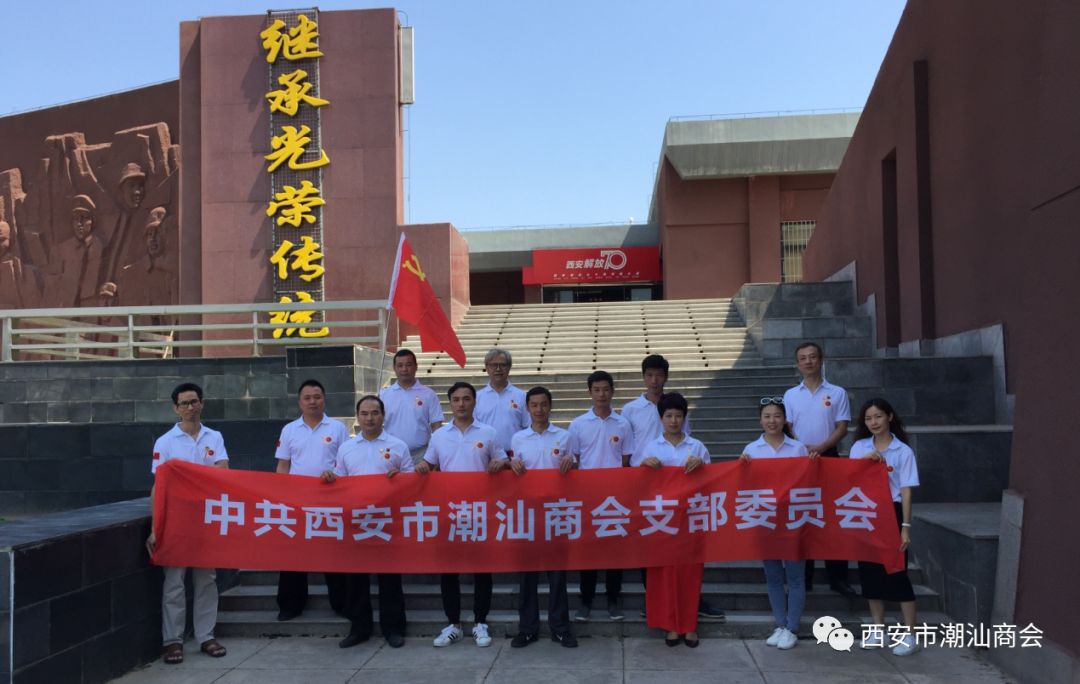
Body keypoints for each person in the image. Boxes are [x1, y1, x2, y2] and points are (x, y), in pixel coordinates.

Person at [621, 354, 723, 621]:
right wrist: (641, 466)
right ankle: (653, 600)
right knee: (653, 550)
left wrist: (699, 464)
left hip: (686, 502)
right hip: (651, 493)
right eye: (649, 375)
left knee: (688, 554)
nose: (654, 380)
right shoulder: (630, 410)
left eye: (659, 375)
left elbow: (704, 464)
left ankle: (693, 600)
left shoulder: (681, 416)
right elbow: (628, 448)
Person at [416, 381, 509, 647]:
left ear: (474, 402)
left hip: (480, 512)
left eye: (466, 399)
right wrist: (421, 467)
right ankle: (453, 624)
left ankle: (480, 622)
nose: (461, 404)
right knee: (449, 571)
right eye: (456, 399)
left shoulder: (488, 432)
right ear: (450, 404)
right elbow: (429, 463)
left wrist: (500, 463)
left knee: (482, 571)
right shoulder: (440, 436)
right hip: (450, 512)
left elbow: (503, 461)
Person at [145, 382, 229, 665]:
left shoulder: (214, 437)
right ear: (175, 408)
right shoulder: (165, 442)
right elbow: (159, 486)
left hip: (207, 518)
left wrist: (189, 478)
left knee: (207, 579)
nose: (190, 407)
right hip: (175, 520)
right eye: (184, 403)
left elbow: (223, 473)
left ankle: (206, 636)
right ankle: (173, 641)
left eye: (194, 402)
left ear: (201, 404)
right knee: (174, 582)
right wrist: (155, 528)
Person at [320, 395, 411, 649]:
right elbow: (340, 479)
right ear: (358, 417)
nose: (369, 418)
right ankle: (359, 628)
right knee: (356, 579)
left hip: (387, 520)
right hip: (357, 520)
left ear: (383, 416)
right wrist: (330, 477)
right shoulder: (347, 447)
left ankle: (393, 628)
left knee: (389, 578)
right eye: (364, 413)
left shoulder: (398, 445)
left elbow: (412, 478)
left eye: (374, 413)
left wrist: (402, 477)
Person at [781, 342, 855, 597]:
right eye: (803, 358)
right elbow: (787, 427)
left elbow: (842, 427)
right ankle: (804, 578)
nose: (808, 362)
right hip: (800, 460)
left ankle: (838, 578)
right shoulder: (791, 395)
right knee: (804, 516)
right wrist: (802, 449)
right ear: (797, 363)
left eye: (813, 357)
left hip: (829, 458)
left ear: (821, 360)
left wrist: (821, 447)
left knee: (833, 518)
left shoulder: (837, 392)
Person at [273, 379, 350, 622]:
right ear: (300, 402)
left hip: (330, 499)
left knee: (333, 553)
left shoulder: (337, 428)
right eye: (307, 398)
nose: (312, 402)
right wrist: (282, 496)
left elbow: (346, 462)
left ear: (324, 399)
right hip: (298, 501)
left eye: (317, 397)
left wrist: (335, 477)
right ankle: (290, 604)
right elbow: (283, 465)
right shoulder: (289, 430)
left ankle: (341, 603)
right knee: (294, 553)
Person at [508, 386, 579, 648]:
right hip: (527, 514)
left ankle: (560, 628)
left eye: (544, 404)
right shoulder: (518, 438)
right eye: (534, 405)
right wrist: (511, 465)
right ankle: (528, 629)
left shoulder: (564, 436)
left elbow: (575, 469)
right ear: (527, 408)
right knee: (527, 576)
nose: (539, 409)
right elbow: (514, 474)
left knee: (557, 576)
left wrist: (572, 463)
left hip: (556, 513)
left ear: (551, 406)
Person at [739, 398, 813, 650]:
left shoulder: (798, 448)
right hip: (766, 519)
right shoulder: (751, 449)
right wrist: (741, 468)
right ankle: (780, 624)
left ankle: (792, 628)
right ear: (760, 420)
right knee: (772, 575)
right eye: (767, 416)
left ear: (785, 420)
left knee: (795, 576)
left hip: (793, 519)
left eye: (777, 416)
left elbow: (807, 483)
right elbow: (744, 486)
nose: (772, 421)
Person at [850, 397, 921, 657]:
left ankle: (910, 634)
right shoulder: (859, 447)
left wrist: (905, 526)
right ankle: (878, 630)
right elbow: (849, 478)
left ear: (889, 417)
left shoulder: (903, 451)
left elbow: (906, 490)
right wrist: (865, 462)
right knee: (869, 573)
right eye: (869, 418)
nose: (874, 422)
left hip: (892, 512)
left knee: (897, 573)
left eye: (878, 416)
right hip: (866, 512)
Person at [639, 392, 708, 647]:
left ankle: (689, 626)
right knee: (665, 574)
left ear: (684, 418)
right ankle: (670, 625)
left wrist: (702, 466)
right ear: (661, 418)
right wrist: (645, 466)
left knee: (690, 573)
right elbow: (638, 483)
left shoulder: (697, 447)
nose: (673, 420)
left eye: (678, 415)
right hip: (661, 520)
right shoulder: (651, 447)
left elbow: (712, 481)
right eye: (668, 416)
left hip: (690, 518)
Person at [569, 370, 634, 622]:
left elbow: (626, 460)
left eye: (606, 389)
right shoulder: (578, 424)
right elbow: (574, 459)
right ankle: (586, 601)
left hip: (614, 497)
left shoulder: (623, 424)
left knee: (614, 551)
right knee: (588, 551)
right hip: (587, 496)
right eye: (596, 390)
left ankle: (613, 600)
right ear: (589, 392)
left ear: (612, 391)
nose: (601, 394)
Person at [379, 348, 443, 462]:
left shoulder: (428, 394)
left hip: (421, 455)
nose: (404, 369)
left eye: (408, 365)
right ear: (394, 368)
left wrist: (432, 454)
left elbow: (436, 426)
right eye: (400, 365)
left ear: (416, 366)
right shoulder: (384, 395)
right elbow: (376, 425)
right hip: (392, 454)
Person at [49, 194, 108, 308]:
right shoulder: (62, 249)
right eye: (76, 219)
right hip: (67, 307)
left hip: (93, 307)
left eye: (84, 218)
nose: (80, 223)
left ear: (92, 221)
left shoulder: (101, 247)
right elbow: (53, 284)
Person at [474, 347, 529, 455]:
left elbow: (528, 427)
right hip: (486, 456)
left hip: (515, 456)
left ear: (509, 367)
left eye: (502, 365)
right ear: (486, 367)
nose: (498, 369)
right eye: (494, 365)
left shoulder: (522, 396)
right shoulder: (477, 397)